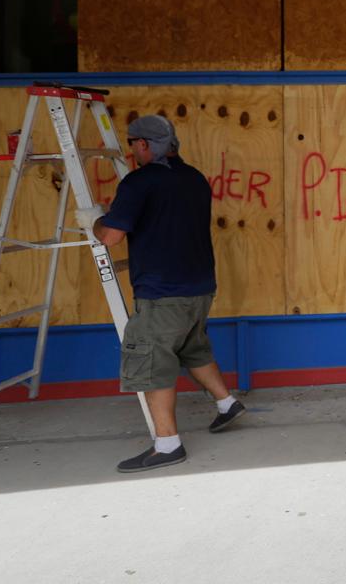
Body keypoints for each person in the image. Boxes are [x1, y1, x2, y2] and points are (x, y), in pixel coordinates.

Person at [75, 115, 246, 473]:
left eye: (133, 143)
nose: (131, 150)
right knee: (192, 347)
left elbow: (111, 237)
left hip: (162, 292)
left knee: (151, 361)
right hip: (200, 287)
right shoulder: (194, 178)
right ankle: (227, 403)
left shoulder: (139, 182)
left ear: (143, 145)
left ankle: (167, 445)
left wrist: (94, 220)